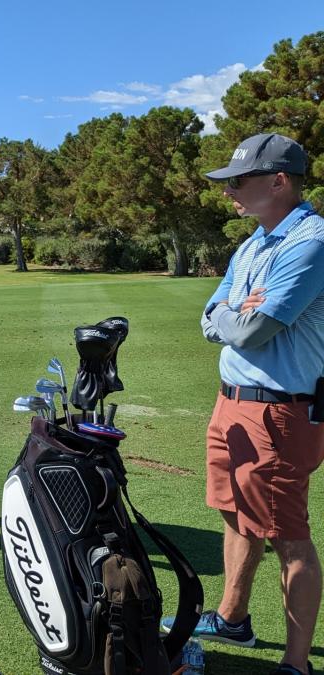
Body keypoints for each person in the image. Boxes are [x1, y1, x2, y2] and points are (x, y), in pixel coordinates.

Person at [171, 133, 324, 675]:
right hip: (232, 403)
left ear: (278, 181)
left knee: (288, 536)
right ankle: (233, 618)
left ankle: (297, 664)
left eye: (239, 181)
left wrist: (234, 314)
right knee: (235, 515)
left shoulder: (311, 241)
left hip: (279, 411)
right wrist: (231, 313)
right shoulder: (255, 243)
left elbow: (255, 328)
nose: (229, 192)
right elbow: (214, 312)